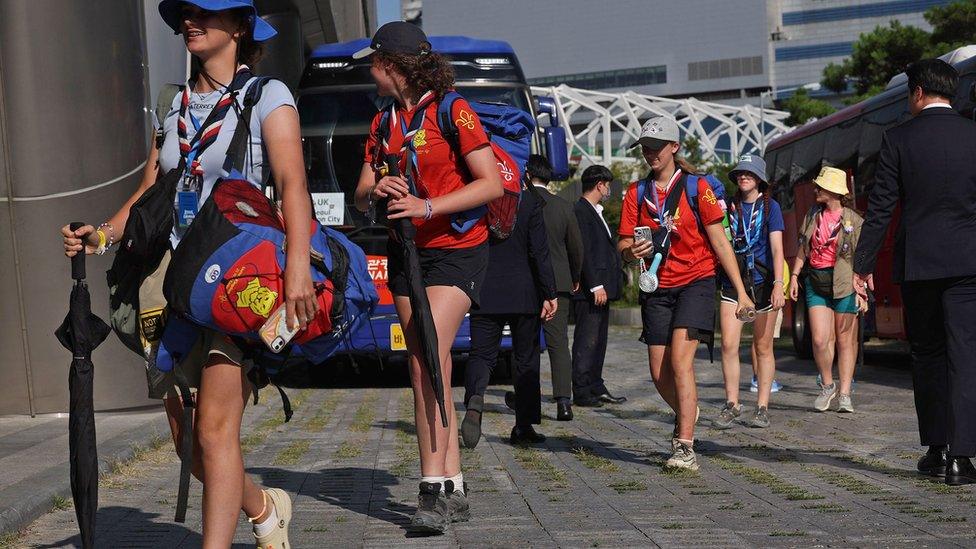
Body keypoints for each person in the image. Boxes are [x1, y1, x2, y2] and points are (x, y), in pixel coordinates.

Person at [62, 2, 303, 546]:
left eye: (205, 13)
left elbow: (293, 188)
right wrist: (101, 235)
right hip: (176, 284)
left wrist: (297, 276)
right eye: (186, 13)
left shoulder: (269, 98)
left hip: (240, 282)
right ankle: (266, 509)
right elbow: (152, 192)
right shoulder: (175, 107)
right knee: (188, 443)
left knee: (217, 432)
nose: (190, 22)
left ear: (239, 26)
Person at [353, 22, 503, 533]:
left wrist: (427, 203)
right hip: (406, 253)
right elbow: (360, 192)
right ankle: (455, 483)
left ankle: (432, 489)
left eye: (372, 64)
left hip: (459, 251)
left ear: (392, 66)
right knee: (421, 363)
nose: (368, 74)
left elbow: (491, 183)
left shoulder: (451, 109)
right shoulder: (382, 122)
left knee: (430, 351)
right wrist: (378, 190)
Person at [853, 59, 976, 486]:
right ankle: (963, 458)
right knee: (966, 355)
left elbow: (882, 208)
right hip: (968, 264)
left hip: (919, 265)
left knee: (927, 355)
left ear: (918, 92)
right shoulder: (973, 136)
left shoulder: (897, 139)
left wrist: (862, 265)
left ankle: (937, 450)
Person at [618, 117, 754, 471]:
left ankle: (685, 446)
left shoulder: (698, 187)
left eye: (657, 147)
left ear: (674, 147)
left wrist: (741, 292)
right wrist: (630, 251)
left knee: (680, 361)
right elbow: (623, 242)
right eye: (645, 148)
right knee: (658, 371)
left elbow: (719, 241)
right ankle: (688, 409)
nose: (650, 154)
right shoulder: (636, 193)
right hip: (657, 285)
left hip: (697, 281)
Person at [460, 180, 558, 448]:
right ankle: (523, 426)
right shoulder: (528, 201)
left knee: (481, 354)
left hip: (485, 289)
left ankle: (475, 400)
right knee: (525, 358)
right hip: (523, 292)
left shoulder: (477, 195)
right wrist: (549, 292)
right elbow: (539, 252)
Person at [714, 155, 785, 430]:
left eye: (750, 173)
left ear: (760, 179)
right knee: (729, 345)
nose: (744, 176)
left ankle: (762, 407)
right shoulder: (728, 207)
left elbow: (777, 249)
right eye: (741, 172)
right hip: (733, 282)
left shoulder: (771, 208)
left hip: (763, 282)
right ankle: (732, 403)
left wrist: (779, 283)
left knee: (763, 347)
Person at [788, 166, 865, 414]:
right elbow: (803, 247)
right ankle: (827, 384)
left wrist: (861, 287)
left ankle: (845, 394)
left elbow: (861, 258)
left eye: (820, 187)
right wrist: (794, 276)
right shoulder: (812, 214)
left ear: (833, 191)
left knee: (845, 341)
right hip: (816, 281)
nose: (815, 190)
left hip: (843, 283)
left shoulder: (854, 220)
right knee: (820, 339)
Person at [526, 155, 584, 420]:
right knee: (558, 343)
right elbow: (576, 247)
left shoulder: (521, 203)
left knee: (525, 343)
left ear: (527, 175)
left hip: (527, 283)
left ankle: (528, 400)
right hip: (559, 282)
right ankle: (563, 402)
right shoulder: (563, 206)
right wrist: (574, 276)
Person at [573, 165, 627, 408]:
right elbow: (583, 251)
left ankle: (596, 384)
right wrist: (595, 285)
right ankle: (582, 389)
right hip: (591, 290)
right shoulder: (581, 211)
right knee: (587, 338)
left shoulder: (595, 211)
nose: (609, 189)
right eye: (607, 185)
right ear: (599, 185)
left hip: (603, 287)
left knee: (600, 338)